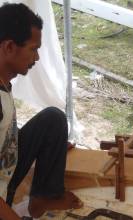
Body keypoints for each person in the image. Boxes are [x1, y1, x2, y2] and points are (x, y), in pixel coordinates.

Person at [0, 3, 83, 219]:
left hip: (5, 166)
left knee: (53, 119)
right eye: (33, 49)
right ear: (9, 47)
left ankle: (43, 197)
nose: (36, 58)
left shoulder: (4, 82)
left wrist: (49, 148)